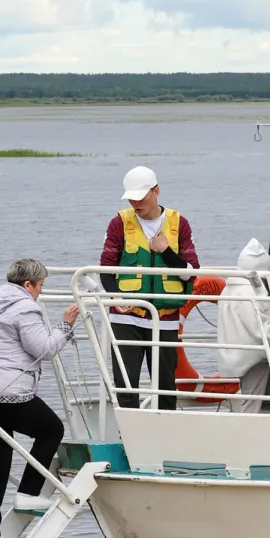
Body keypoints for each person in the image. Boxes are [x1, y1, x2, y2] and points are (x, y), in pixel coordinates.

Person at [0, 258, 82, 538]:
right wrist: (65, 325)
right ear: (28, 284)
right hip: (8, 392)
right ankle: (28, 493)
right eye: (40, 286)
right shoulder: (26, 306)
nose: (40, 292)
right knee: (51, 429)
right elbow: (46, 350)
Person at [99, 165, 197, 409]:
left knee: (166, 386)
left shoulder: (179, 223)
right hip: (126, 318)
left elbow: (191, 274)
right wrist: (116, 299)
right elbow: (106, 269)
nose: (135, 203)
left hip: (165, 318)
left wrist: (166, 251)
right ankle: (129, 438)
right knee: (126, 385)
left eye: (140, 197)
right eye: (131, 197)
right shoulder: (119, 223)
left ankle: (166, 435)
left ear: (156, 192)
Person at [216, 239, 270, 413]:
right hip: (253, 352)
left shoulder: (232, 287)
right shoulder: (248, 292)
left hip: (238, 349)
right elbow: (259, 326)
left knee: (251, 395)